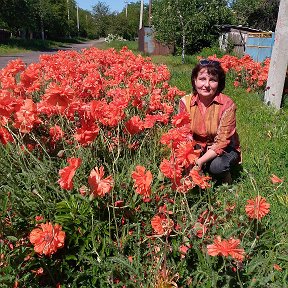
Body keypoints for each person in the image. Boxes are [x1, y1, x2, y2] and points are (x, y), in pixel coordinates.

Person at [179, 59, 241, 184]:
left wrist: (199, 161)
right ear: (194, 80)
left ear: (219, 83)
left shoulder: (227, 104)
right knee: (179, 159)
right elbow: (183, 133)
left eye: (212, 80)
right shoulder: (185, 102)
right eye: (202, 79)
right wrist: (188, 156)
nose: (206, 85)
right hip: (197, 145)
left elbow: (222, 142)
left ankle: (227, 180)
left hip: (224, 148)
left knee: (216, 167)